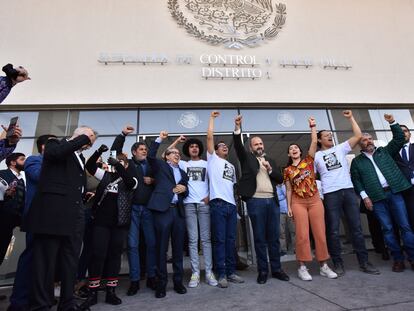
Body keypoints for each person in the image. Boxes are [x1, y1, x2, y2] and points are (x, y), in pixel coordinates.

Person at [24, 126, 97, 311]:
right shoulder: (55, 144)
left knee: (70, 261)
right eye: (89, 139)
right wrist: (81, 139)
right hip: (52, 215)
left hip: (75, 214)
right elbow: (56, 154)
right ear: (79, 134)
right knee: (45, 263)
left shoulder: (79, 157)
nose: (89, 144)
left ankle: (67, 303)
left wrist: (82, 195)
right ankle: (40, 305)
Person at [314, 110, 379, 276]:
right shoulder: (317, 156)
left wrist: (350, 118)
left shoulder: (341, 148)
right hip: (330, 194)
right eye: (326, 135)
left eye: (331, 134)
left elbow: (357, 135)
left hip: (348, 191)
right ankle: (338, 263)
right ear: (320, 140)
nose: (330, 136)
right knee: (333, 230)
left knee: (356, 228)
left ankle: (364, 262)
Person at [350, 114, 414, 272]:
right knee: (387, 229)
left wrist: (392, 122)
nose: (369, 141)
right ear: (360, 144)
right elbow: (356, 181)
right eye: (364, 140)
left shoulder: (385, 152)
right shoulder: (357, 162)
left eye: (370, 138)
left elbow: (399, 138)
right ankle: (398, 259)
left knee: (405, 226)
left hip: (395, 193)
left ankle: (412, 258)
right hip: (377, 198)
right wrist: (365, 197)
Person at [232, 114, 288, 284]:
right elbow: (238, 146)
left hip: (272, 202)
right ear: (251, 148)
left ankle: (277, 269)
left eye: (261, 143)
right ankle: (263, 271)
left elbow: (280, 179)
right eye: (256, 144)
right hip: (255, 202)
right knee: (260, 239)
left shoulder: (270, 160)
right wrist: (237, 129)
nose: (259, 146)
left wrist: (270, 169)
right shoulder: (247, 158)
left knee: (274, 238)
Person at [80, 145, 138, 309]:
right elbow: (90, 167)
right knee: (97, 255)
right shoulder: (105, 176)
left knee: (114, 256)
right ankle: (93, 293)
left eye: (121, 162)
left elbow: (129, 182)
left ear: (126, 165)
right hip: (101, 223)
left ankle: (111, 292)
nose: (117, 163)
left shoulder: (131, 179)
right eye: (115, 161)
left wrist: (119, 164)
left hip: (119, 224)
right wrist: (98, 152)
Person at [284, 117, 337, 281]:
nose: (294, 149)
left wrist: (313, 126)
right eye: (291, 148)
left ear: (300, 151)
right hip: (298, 203)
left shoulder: (309, 160)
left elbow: (314, 141)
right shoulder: (287, 170)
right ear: (289, 153)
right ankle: (302, 267)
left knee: (320, 233)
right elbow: (288, 189)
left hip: (314, 200)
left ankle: (324, 266)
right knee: (302, 235)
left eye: (296, 147)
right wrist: (289, 207)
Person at [8, 135, 56, 311]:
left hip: (52, 220)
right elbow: (40, 176)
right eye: (55, 144)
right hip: (37, 218)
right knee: (31, 258)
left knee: (47, 261)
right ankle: (19, 301)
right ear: (44, 147)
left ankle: (41, 298)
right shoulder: (34, 160)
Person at [111, 125, 157, 295]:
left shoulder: (151, 165)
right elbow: (114, 153)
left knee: (151, 244)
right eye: (141, 149)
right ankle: (135, 281)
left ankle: (152, 277)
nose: (144, 151)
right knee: (132, 246)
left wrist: (153, 181)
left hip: (148, 210)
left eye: (146, 149)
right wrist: (122, 134)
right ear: (133, 152)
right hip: (132, 210)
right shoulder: (128, 164)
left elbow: (161, 181)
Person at [167, 135, 217, 288]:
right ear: (187, 150)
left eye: (196, 146)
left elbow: (215, 180)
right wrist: (177, 141)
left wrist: (210, 195)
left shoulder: (207, 163)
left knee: (206, 240)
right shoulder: (183, 164)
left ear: (199, 149)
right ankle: (195, 272)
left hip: (203, 205)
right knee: (193, 241)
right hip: (188, 205)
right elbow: (166, 155)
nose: (194, 148)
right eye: (191, 146)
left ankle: (208, 272)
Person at [146, 131, 189, 298]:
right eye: (174, 153)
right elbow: (150, 155)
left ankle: (178, 282)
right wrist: (160, 139)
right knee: (161, 249)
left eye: (178, 154)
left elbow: (186, 190)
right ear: (167, 156)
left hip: (178, 212)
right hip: (163, 211)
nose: (177, 155)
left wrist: (184, 189)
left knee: (178, 249)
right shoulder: (161, 166)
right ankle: (161, 284)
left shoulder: (183, 173)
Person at [207, 111, 244, 288]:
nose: (224, 147)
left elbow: (233, 188)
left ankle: (231, 272)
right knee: (219, 240)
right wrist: (212, 119)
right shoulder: (212, 159)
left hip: (231, 206)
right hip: (218, 205)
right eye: (220, 145)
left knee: (230, 241)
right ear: (215, 150)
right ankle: (221, 273)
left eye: (225, 146)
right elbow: (209, 137)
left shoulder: (230, 165)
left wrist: (236, 206)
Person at [0, 153, 26, 266]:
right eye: (22, 159)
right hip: (2, 218)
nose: (25, 161)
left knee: (2, 250)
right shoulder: (2, 174)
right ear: (13, 162)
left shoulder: (22, 180)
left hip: (11, 223)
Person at [394, 125, 414, 230]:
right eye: (400, 132)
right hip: (404, 191)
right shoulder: (392, 153)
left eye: (405, 131)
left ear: (409, 134)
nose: (403, 133)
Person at [277, 184, 296, 255]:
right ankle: (283, 249)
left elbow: (287, 194)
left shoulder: (285, 185)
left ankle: (296, 249)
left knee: (293, 230)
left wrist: (282, 186)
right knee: (281, 232)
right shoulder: (274, 187)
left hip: (289, 210)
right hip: (280, 211)